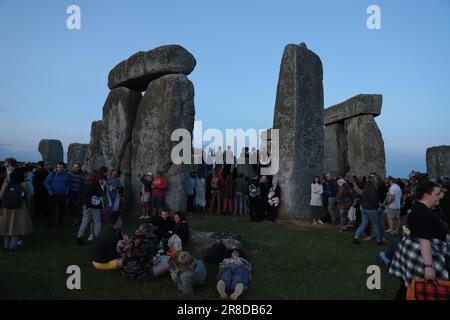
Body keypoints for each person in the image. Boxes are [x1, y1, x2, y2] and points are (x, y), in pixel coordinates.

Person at [389, 180, 450, 300]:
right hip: (422, 254)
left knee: (410, 284)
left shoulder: (421, 208)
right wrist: (429, 266)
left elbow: (437, 232)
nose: (440, 197)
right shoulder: (422, 212)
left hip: (418, 251)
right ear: (427, 195)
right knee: (415, 284)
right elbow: (424, 240)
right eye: (437, 194)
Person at [0, 169, 33, 251]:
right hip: (20, 208)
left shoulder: (6, 184)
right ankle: (13, 247)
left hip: (6, 208)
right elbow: (28, 197)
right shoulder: (24, 184)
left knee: (6, 227)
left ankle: (6, 246)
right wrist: (28, 206)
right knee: (16, 228)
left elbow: (1, 195)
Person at [352, 174, 384, 245]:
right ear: (374, 180)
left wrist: (354, 185)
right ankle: (379, 240)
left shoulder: (366, 186)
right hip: (371, 209)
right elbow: (373, 199)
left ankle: (355, 238)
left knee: (363, 224)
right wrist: (378, 206)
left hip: (364, 208)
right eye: (375, 179)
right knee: (376, 224)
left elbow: (360, 193)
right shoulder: (373, 188)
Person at [77, 170, 103, 245]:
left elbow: (81, 193)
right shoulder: (96, 183)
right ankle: (97, 237)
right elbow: (99, 193)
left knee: (84, 221)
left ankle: (79, 237)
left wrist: (83, 202)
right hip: (94, 205)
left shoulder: (84, 182)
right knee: (97, 221)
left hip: (85, 204)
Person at [44, 161, 70, 227]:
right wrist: (49, 189)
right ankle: (49, 223)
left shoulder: (66, 175)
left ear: (64, 168)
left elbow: (68, 184)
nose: (59, 169)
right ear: (56, 167)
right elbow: (46, 182)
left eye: (61, 167)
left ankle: (60, 223)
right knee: (51, 210)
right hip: (53, 194)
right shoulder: (52, 174)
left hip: (62, 195)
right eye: (58, 167)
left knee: (62, 210)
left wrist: (66, 192)